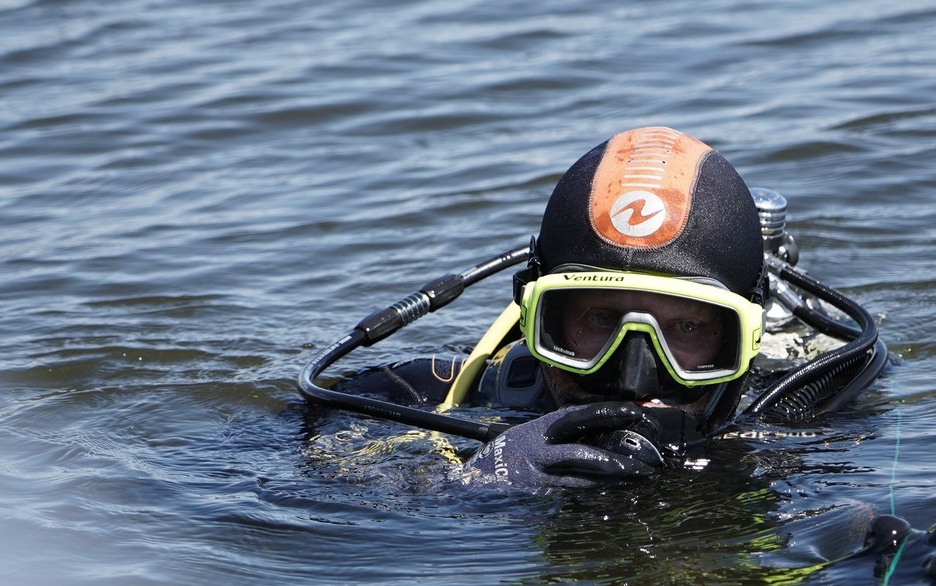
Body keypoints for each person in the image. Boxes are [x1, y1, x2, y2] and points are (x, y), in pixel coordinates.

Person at [302, 126, 886, 488]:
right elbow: (263, 468)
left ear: (744, 336)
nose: (634, 377)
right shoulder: (460, 394)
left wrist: (894, 560)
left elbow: (851, 521)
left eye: (684, 327)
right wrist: (463, 484)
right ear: (534, 317)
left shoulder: (805, 408)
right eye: (601, 320)